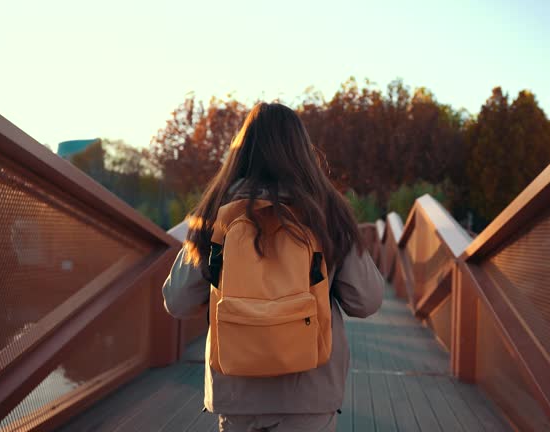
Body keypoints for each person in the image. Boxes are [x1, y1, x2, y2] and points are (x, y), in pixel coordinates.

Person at [162, 102, 385, 432]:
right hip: (309, 394)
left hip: (238, 394)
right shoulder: (327, 211)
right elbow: (367, 300)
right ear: (302, 151)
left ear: (241, 151)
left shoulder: (216, 212)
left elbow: (178, 300)